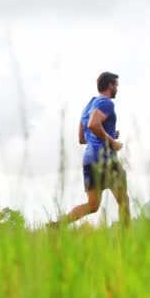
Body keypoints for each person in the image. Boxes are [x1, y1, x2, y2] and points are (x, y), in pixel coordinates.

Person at [51, 72, 130, 228]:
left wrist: (110, 134)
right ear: (110, 85)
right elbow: (93, 125)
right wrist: (112, 142)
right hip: (105, 159)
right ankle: (127, 243)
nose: (117, 89)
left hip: (89, 159)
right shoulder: (106, 103)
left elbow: (82, 138)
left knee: (92, 206)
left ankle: (57, 226)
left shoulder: (88, 106)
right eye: (116, 86)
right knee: (124, 201)